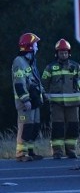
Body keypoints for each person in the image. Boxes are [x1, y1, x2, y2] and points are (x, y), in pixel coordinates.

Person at [41, 39, 80, 159]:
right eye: (61, 53)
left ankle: (71, 150)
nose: (64, 55)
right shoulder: (50, 67)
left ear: (69, 53)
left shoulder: (75, 66)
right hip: (57, 103)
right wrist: (45, 96)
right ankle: (57, 152)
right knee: (57, 127)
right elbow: (44, 83)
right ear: (57, 53)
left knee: (73, 126)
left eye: (65, 53)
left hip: (73, 103)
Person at [12, 33, 45, 162]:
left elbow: (34, 80)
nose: (37, 47)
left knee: (33, 126)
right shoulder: (19, 62)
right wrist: (25, 99)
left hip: (34, 101)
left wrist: (43, 93)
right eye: (35, 45)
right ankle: (21, 153)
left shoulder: (30, 61)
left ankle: (30, 151)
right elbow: (19, 83)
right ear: (29, 47)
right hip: (26, 103)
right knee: (25, 127)